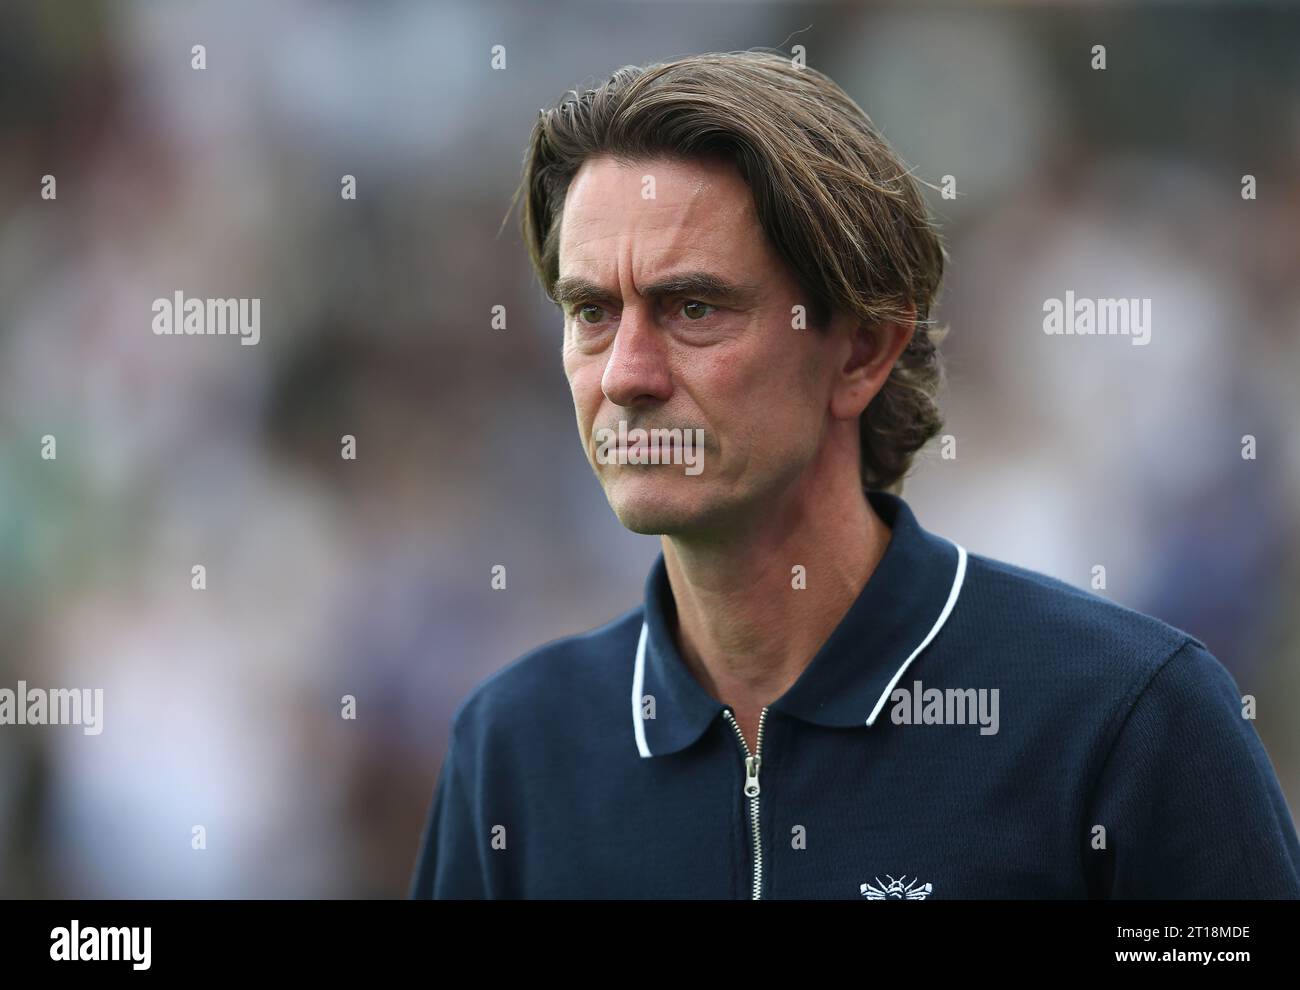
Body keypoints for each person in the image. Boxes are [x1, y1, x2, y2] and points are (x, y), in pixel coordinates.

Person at [410, 50, 1300, 899]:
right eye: (592, 312)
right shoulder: (512, 751)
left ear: (862, 350)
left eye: (693, 307)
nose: (625, 374)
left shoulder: (1125, 719)